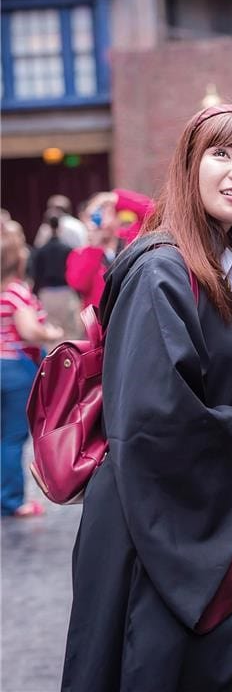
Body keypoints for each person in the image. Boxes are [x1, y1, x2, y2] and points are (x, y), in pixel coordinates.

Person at [61, 104, 232, 692]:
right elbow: (153, 414)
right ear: (189, 166)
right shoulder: (161, 271)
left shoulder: (221, 271)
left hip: (192, 509)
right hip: (153, 522)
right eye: (222, 154)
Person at [1, 221, 63, 518]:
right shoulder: (16, 292)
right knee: (12, 437)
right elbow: (29, 331)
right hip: (15, 370)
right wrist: (51, 333)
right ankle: (12, 500)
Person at [65, 188, 153, 308]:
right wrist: (94, 247)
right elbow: (79, 284)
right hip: (106, 318)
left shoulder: (132, 239)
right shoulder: (80, 254)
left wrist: (115, 198)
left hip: (135, 312)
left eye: (105, 211)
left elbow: (153, 213)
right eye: (94, 215)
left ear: (117, 217)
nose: (100, 218)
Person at [31, 214, 82, 341]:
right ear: (60, 228)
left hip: (46, 295)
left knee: (50, 334)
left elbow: (36, 275)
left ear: (48, 227)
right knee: (71, 335)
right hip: (66, 294)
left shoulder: (41, 251)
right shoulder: (68, 250)